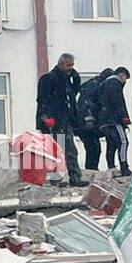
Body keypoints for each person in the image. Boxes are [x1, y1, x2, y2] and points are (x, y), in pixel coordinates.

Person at [36, 52, 85, 186]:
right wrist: (47, 117)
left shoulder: (66, 80)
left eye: (72, 65)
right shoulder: (48, 79)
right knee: (58, 150)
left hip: (65, 120)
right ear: (61, 64)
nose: (71, 68)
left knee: (68, 150)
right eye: (69, 65)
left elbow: (72, 95)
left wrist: (76, 78)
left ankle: (72, 177)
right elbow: (43, 100)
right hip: (54, 122)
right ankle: (57, 178)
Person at [76, 67, 114, 174]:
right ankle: (91, 171)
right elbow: (88, 105)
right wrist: (89, 120)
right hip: (87, 124)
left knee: (93, 148)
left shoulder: (91, 85)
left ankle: (91, 170)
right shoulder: (95, 87)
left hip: (83, 123)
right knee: (94, 148)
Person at [98, 67, 132, 176]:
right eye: (125, 78)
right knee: (123, 142)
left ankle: (111, 167)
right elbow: (119, 102)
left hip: (104, 121)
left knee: (111, 144)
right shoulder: (115, 84)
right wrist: (124, 117)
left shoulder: (103, 85)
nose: (125, 81)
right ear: (121, 75)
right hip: (114, 120)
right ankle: (124, 167)